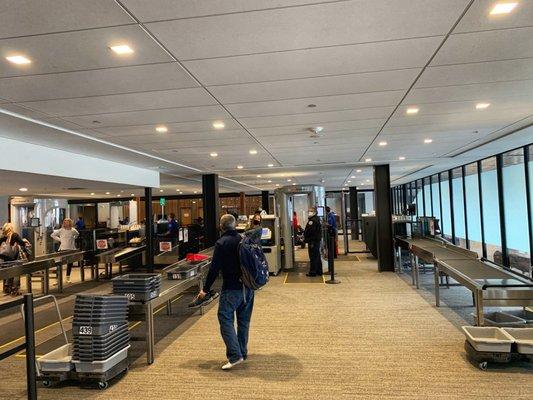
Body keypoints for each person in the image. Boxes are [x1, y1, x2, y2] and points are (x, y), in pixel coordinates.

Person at [195, 214, 254, 370]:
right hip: (248, 288)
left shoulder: (222, 243)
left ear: (221, 226)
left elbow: (214, 270)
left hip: (231, 289)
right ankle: (242, 351)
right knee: (244, 321)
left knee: (225, 318)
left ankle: (235, 355)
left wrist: (205, 290)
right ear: (234, 225)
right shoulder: (244, 239)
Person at [1, 223, 31, 295]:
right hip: (13, 258)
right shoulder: (14, 235)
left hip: (5, 257)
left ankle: (7, 288)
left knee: (7, 272)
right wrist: (26, 242)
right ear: (11, 228)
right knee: (16, 272)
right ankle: (15, 289)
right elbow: (22, 243)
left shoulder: (3, 237)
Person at [51, 218, 79, 283]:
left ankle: (67, 278)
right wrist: (60, 240)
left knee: (69, 264)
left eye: (67, 222)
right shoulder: (61, 230)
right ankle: (57, 279)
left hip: (71, 249)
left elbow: (77, 234)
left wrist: (73, 238)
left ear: (70, 223)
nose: (66, 223)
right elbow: (52, 235)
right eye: (65, 222)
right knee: (59, 264)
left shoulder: (73, 230)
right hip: (62, 249)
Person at [304, 206, 323, 277]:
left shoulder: (312, 220)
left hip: (313, 241)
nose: (309, 212)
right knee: (317, 256)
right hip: (316, 240)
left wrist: (306, 237)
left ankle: (313, 272)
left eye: (310, 211)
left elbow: (310, 231)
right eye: (309, 211)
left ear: (314, 212)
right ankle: (319, 271)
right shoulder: (317, 219)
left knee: (313, 256)